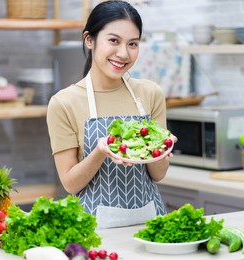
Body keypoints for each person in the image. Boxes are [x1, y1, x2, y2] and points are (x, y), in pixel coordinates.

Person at [46, 0, 177, 229]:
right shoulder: (63, 103)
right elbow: (70, 183)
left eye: (133, 44)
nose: (123, 53)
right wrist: (100, 151)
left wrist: (161, 149)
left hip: (150, 224)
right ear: (90, 40)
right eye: (113, 41)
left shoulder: (150, 93)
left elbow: (158, 175)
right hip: (93, 231)